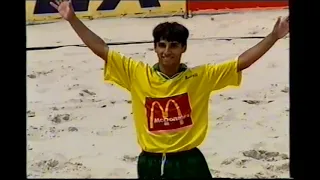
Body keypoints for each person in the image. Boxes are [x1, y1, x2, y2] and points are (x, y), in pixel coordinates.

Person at [50, 0, 289, 178]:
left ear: (183, 48)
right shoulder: (137, 73)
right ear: (154, 48)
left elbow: (242, 62)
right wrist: (72, 19)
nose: (167, 51)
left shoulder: (200, 76)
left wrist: (273, 37)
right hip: (150, 162)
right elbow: (100, 48)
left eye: (174, 45)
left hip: (189, 160)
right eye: (162, 45)